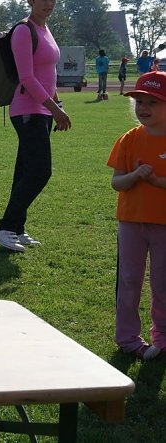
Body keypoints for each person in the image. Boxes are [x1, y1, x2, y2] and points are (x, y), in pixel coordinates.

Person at [0, 0, 71, 251]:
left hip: (43, 110)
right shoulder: (24, 31)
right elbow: (27, 77)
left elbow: (49, 73)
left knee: (25, 170)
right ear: (30, 0)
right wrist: (54, 109)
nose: (48, 3)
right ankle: (4, 227)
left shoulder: (45, 29)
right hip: (28, 110)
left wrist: (58, 106)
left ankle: (16, 228)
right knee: (40, 171)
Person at [107, 70, 166, 361]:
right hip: (131, 222)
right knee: (129, 280)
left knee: (162, 282)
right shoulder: (129, 140)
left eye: (152, 102)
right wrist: (133, 176)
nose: (143, 108)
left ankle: (162, 338)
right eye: (139, 101)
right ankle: (128, 338)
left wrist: (155, 181)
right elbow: (116, 182)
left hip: (163, 224)